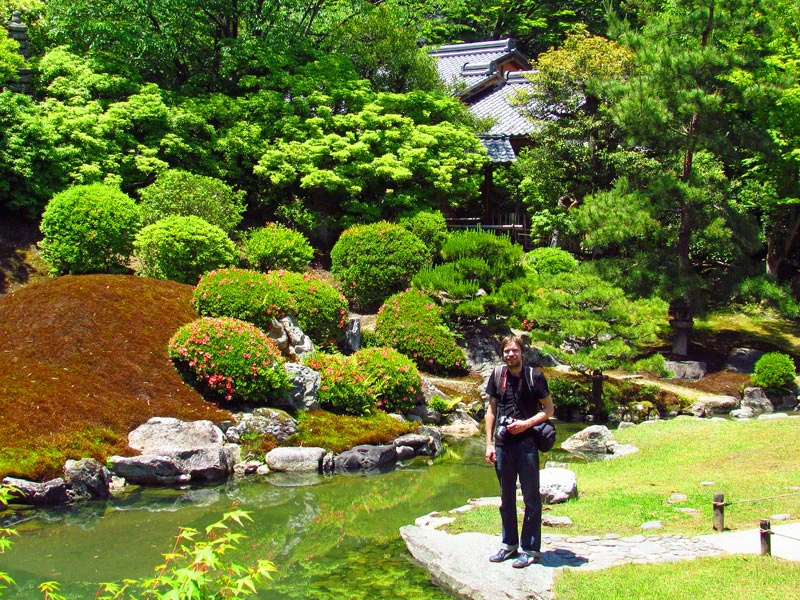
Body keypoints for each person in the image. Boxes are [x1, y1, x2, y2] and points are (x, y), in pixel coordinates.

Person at [485, 334, 554, 568]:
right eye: (507, 352)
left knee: (531, 497)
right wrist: (489, 444)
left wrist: (525, 424)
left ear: (522, 353)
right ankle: (508, 545)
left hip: (527, 443)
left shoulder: (534, 377)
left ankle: (531, 548)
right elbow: (491, 411)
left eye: (514, 351)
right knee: (506, 498)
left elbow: (548, 409)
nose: (510, 355)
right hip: (503, 443)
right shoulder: (497, 376)